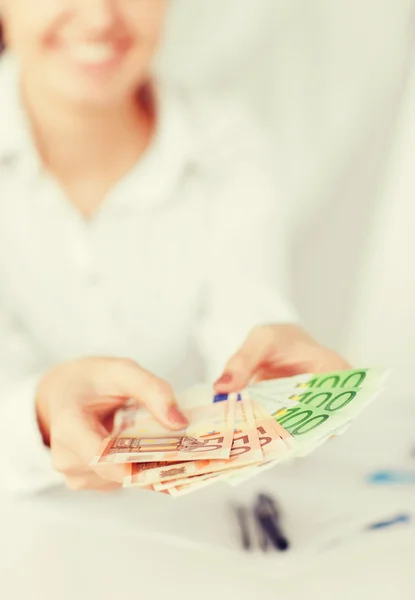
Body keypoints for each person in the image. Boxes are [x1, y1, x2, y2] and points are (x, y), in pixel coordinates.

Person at [0, 0, 349, 495]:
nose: (100, 16)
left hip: (189, 530)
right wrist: (43, 409)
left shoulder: (228, 146)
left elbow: (245, 328)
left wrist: (281, 390)